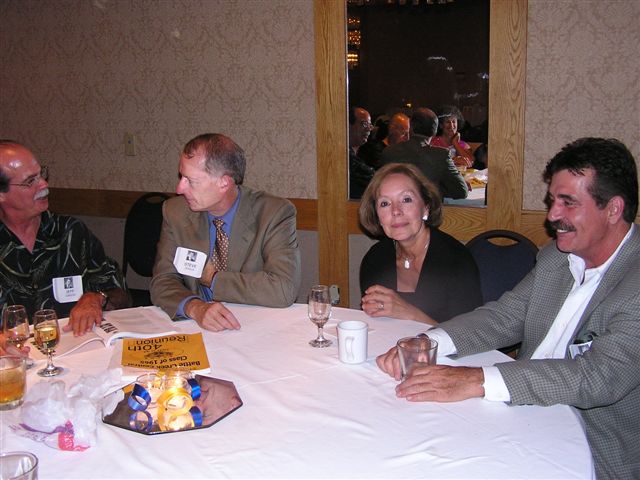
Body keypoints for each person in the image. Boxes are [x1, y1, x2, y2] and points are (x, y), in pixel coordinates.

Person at [376, 137, 640, 479]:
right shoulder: (557, 258)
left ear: (614, 209)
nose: (552, 215)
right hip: (525, 416)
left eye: (568, 202)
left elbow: (597, 377)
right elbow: (504, 317)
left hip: (592, 448)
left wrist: (476, 380)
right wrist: (427, 342)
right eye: (552, 201)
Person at [150, 133, 301, 332]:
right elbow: (163, 281)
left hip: (254, 329)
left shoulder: (273, 213)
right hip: (194, 327)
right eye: (181, 177)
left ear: (224, 183)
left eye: (190, 181)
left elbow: (283, 288)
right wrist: (195, 307)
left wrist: (213, 279)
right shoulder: (175, 211)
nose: (179, 189)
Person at [0, 141, 130, 336]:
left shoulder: (70, 232)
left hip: (76, 346)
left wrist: (97, 297)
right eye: (30, 181)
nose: (44, 185)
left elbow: (122, 296)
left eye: (41, 174)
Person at [359, 163, 482, 325]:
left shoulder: (456, 262)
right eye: (385, 203)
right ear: (377, 215)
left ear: (425, 207)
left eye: (406, 199)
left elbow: (468, 335)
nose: (396, 211)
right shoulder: (375, 259)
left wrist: (410, 313)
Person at [381, 107, 468, 199]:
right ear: (435, 132)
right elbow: (461, 191)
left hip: (395, 205)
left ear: (411, 128)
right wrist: (432, 188)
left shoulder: (389, 152)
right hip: (427, 206)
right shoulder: (441, 155)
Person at [348, 106, 375, 199]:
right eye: (364, 124)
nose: (368, 129)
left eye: (370, 125)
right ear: (348, 125)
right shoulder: (345, 157)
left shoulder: (367, 153)